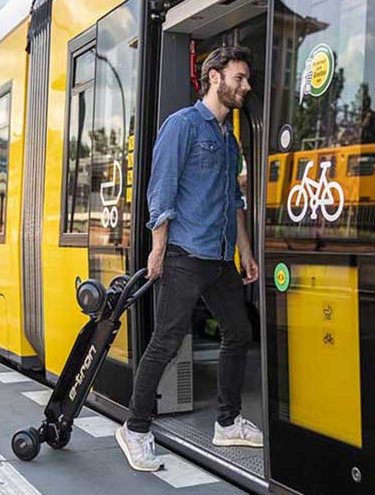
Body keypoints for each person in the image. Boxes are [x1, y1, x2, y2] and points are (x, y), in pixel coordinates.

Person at [115, 46, 263, 472]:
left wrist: (245, 251)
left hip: (218, 257)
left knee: (238, 332)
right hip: (184, 253)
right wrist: (158, 249)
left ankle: (227, 422)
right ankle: (135, 429)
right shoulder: (182, 125)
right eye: (239, 78)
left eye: (247, 79)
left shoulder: (229, 139)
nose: (245, 86)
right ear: (215, 77)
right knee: (166, 340)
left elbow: (234, 200)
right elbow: (161, 190)